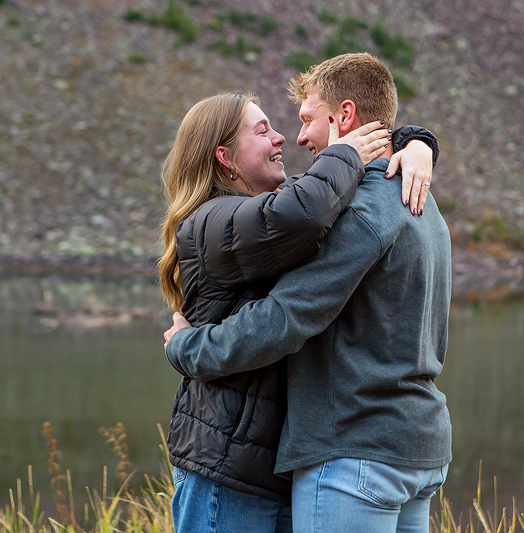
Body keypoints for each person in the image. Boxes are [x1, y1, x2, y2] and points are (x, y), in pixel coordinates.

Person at [165, 53, 453, 533]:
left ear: (344, 116)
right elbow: (302, 206)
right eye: (266, 131)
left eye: (305, 120)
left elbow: (284, 316)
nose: (294, 138)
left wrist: (187, 345)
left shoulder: (357, 211)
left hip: (354, 450)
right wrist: (415, 143)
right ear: (222, 156)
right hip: (414, 446)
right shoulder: (420, 200)